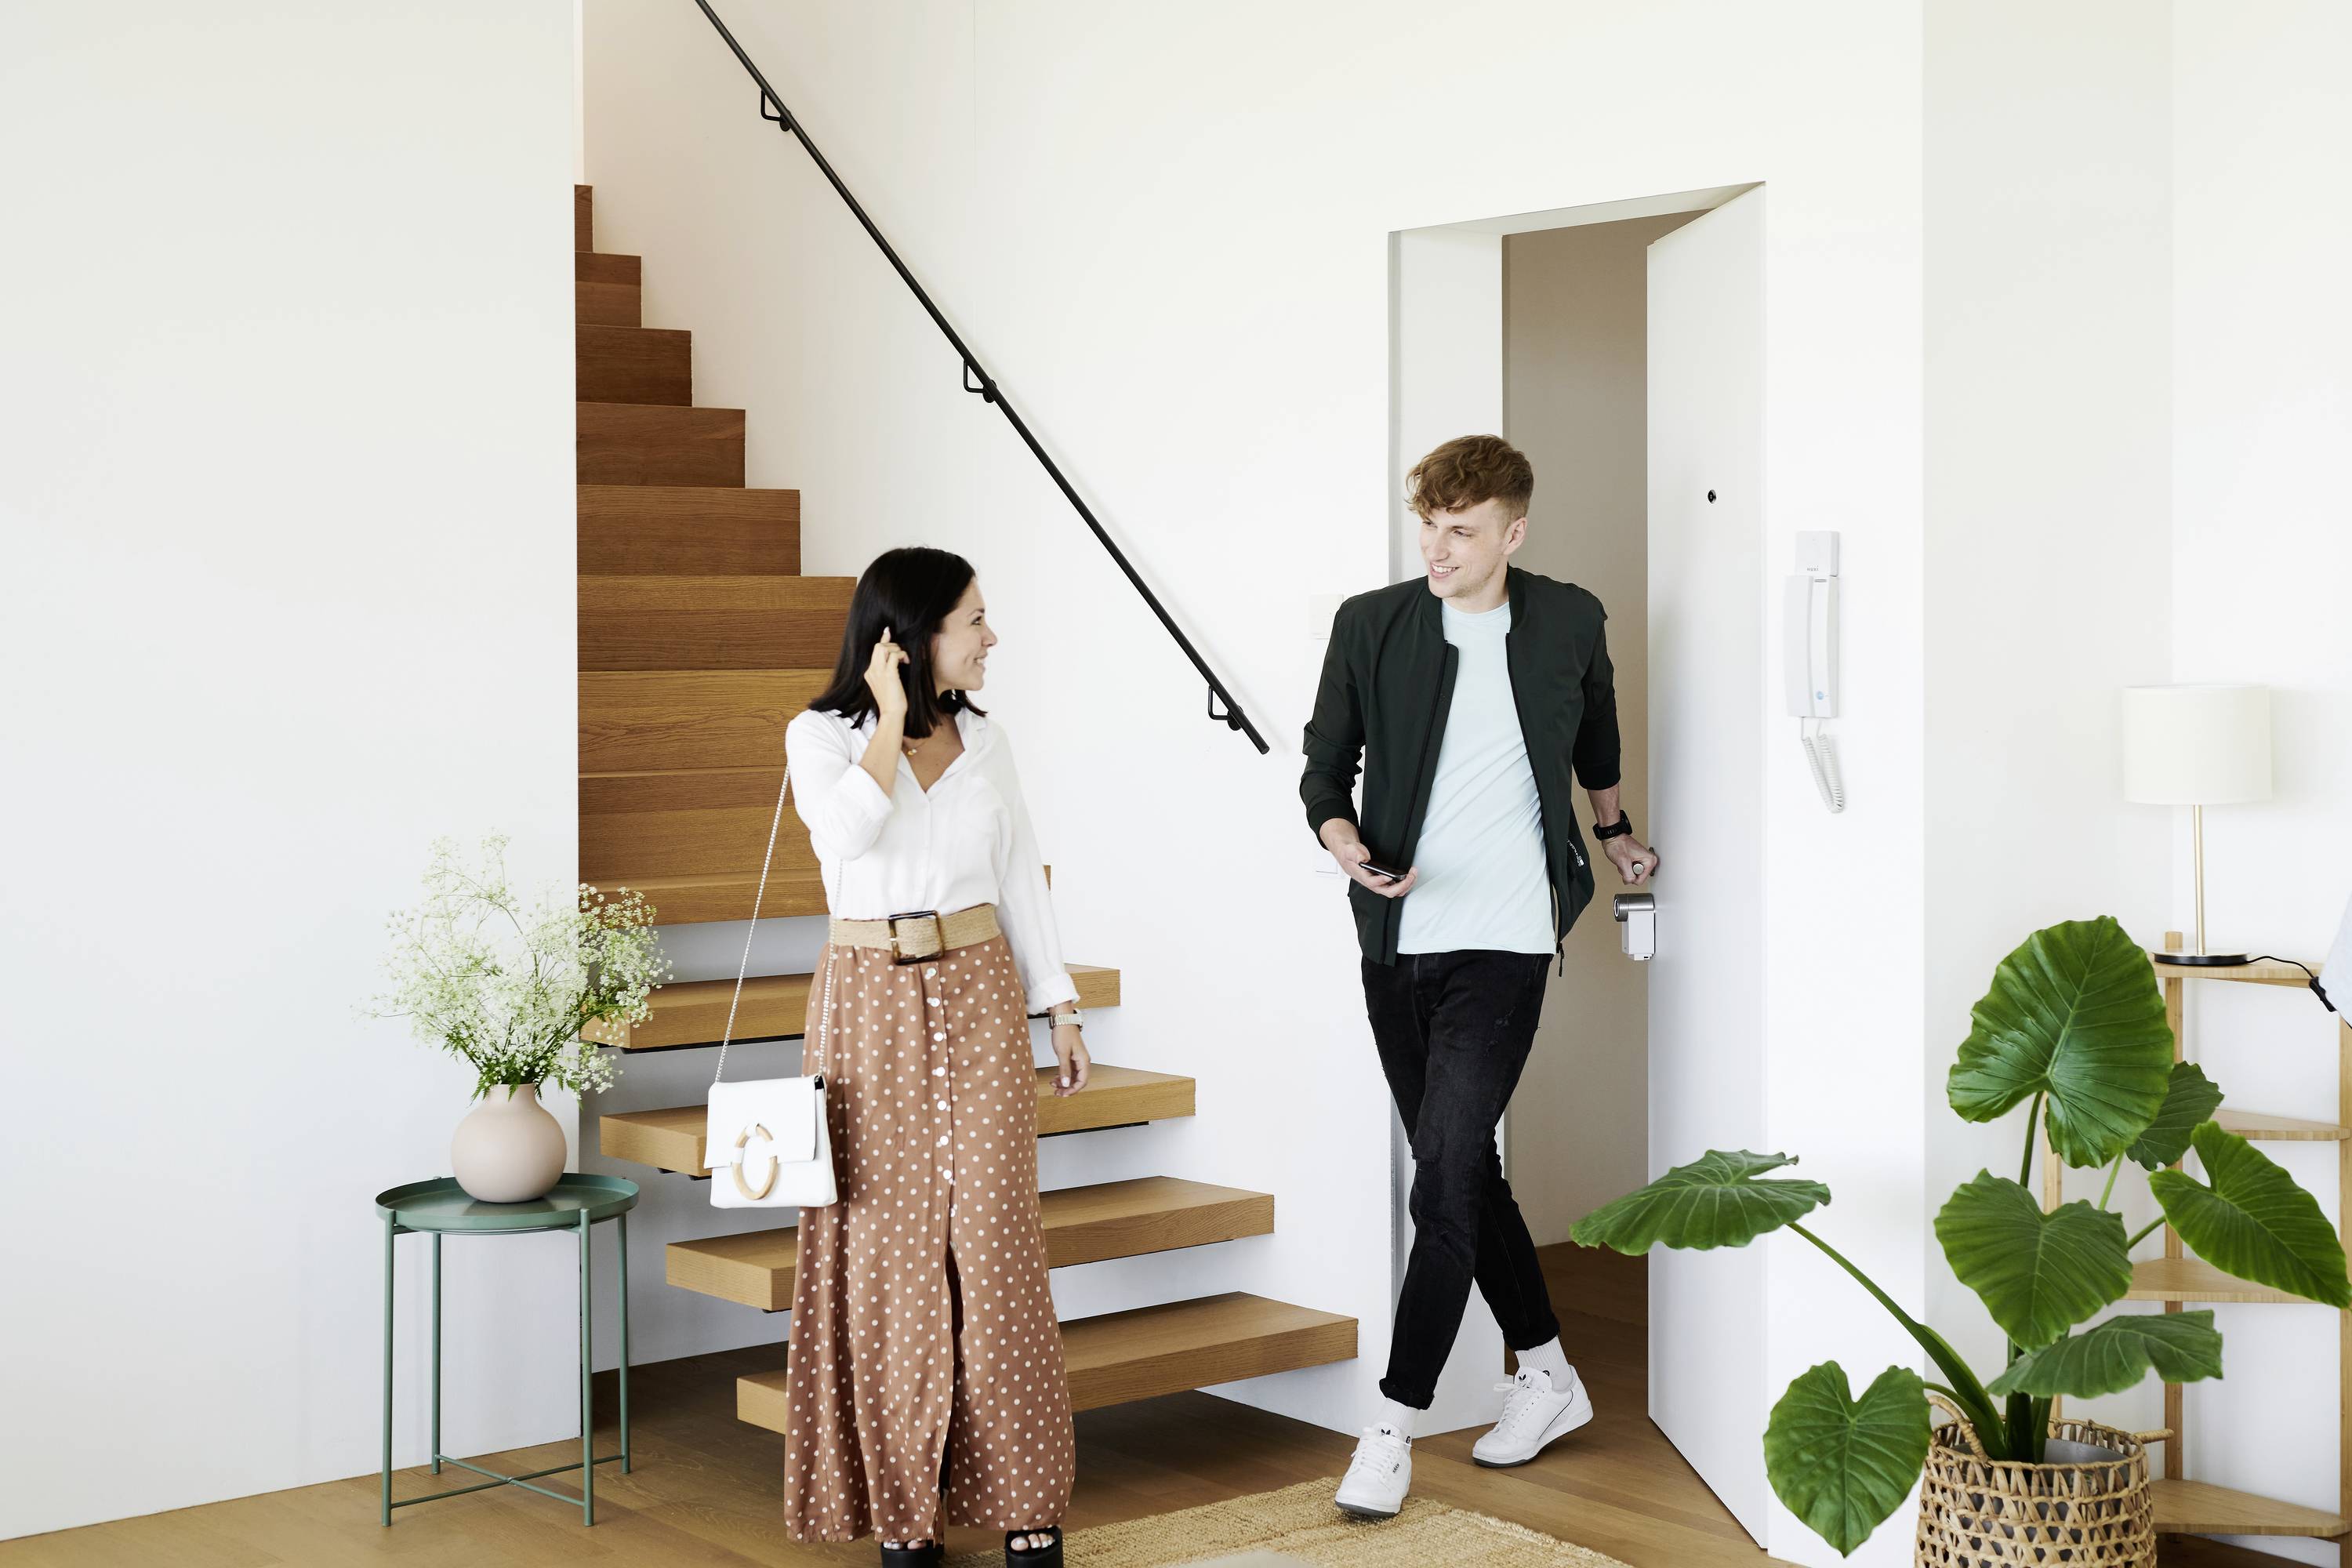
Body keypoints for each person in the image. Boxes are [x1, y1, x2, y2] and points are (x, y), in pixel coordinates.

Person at [1300, 434, 1661, 1519]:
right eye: (1428, 527)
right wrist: (1347, 847)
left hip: (1507, 939)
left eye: (1461, 531)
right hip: (1397, 939)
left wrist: (1618, 835)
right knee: (1463, 1172)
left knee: (1445, 1168)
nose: (1438, 548)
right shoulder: (1372, 624)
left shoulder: (1568, 619)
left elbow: (1595, 743)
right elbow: (1324, 767)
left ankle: (1391, 1426)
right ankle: (1548, 1375)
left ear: (1513, 530)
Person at [781, 546, 1089, 1568]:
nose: (990, 637)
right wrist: (881, 718)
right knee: (891, 1257)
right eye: (973, 620)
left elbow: (1020, 876)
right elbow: (844, 842)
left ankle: (1024, 1501)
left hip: (982, 985)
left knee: (996, 1244)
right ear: (910, 636)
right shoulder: (820, 737)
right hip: (867, 1003)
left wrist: (1062, 1006)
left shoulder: (989, 741)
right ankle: (904, 1510)